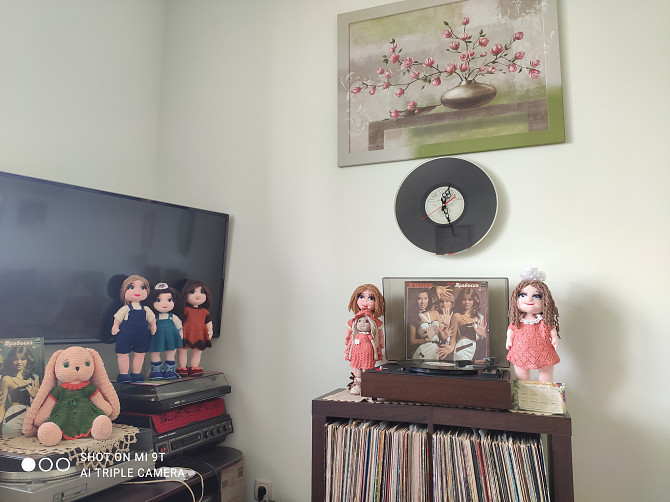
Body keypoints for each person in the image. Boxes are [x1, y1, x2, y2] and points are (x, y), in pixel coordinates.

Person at [506, 268, 560, 382]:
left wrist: (554, 338)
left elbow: (551, 329)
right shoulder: (518, 321)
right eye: (523, 295)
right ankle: (523, 390)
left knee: (546, 374)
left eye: (536, 296)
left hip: (543, 350)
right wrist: (509, 340)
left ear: (546, 301)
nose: (529, 299)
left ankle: (545, 390)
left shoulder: (543, 321)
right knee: (522, 377)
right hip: (521, 350)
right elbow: (511, 330)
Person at [111, 275, 157, 383]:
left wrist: (153, 326)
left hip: (142, 337)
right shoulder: (125, 309)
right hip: (125, 336)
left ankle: (136, 373)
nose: (138, 291)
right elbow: (117, 318)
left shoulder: (146, 309)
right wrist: (115, 326)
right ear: (124, 291)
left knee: (140, 355)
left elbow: (152, 319)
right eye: (132, 287)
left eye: (142, 287)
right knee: (123, 354)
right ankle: (124, 374)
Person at [345, 284, 385, 394]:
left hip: (369, 349)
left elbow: (380, 334)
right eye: (361, 297)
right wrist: (347, 340)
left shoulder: (375, 322)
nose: (365, 301)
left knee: (368, 365)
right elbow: (349, 332)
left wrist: (381, 343)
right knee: (356, 364)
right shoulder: (354, 320)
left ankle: (367, 383)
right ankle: (357, 382)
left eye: (371, 298)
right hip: (356, 347)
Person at [0, 346, 40, 437]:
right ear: (10, 360)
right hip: (13, 418)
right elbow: (1, 405)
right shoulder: (7, 379)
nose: (19, 362)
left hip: (31, 419)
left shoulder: (35, 378)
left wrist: (35, 397)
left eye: (23, 359)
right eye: (15, 359)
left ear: (28, 360)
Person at [147, 283, 184, 380]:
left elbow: (179, 328)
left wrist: (180, 335)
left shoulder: (173, 317)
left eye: (169, 300)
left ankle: (169, 371)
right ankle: (156, 371)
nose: (165, 304)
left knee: (171, 353)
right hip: (156, 338)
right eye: (158, 300)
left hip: (171, 338)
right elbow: (149, 327)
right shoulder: (153, 318)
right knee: (155, 352)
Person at [177, 280, 214, 377]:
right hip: (186, 334)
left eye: (202, 292)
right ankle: (182, 367)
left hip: (200, 335)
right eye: (192, 292)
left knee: (198, 351)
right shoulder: (186, 310)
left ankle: (194, 367)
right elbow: (179, 321)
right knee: (183, 350)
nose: (198, 295)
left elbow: (208, 322)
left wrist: (210, 331)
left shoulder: (204, 311)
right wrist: (179, 331)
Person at [444, 288, 488, 361]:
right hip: (463, 350)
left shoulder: (480, 317)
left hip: (478, 351)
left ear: (474, 300)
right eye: (464, 299)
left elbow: (485, 340)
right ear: (460, 301)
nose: (467, 302)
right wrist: (451, 347)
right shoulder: (457, 316)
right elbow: (453, 338)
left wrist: (482, 336)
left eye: (470, 299)